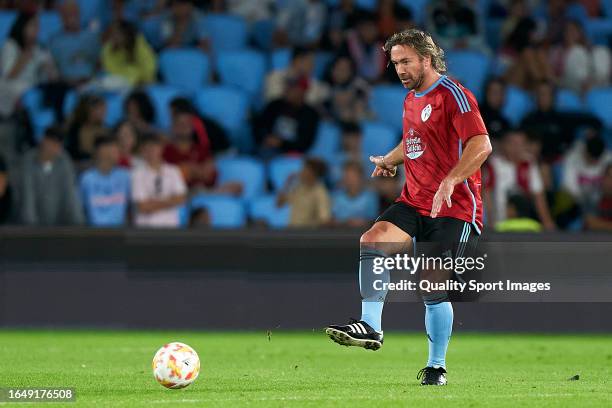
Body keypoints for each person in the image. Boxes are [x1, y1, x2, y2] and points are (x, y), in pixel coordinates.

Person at [325, 29, 493, 386]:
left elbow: (481, 145)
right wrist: (390, 158)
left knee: (430, 284)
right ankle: (371, 326)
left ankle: (436, 366)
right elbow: (414, 140)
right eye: (395, 63)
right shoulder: (411, 99)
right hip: (414, 200)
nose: (399, 70)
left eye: (406, 61)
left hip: (455, 207)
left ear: (426, 60)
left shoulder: (454, 95)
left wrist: (451, 179)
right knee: (373, 239)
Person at [488, 129, 556, 229]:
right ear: (504, 144)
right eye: (513, 143)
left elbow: (538, 196)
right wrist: (491, 223)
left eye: (521, 144)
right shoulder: (493, 164)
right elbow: (486, 195)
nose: (517, 148)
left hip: (523, 223)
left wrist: (548, 223)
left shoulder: (528, 162)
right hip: (498, 221)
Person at [21, 126, 84, 226]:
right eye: (52, 143)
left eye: (58, 145)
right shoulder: (28, 160)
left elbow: (70, 194)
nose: (55, 148)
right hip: (34, 226)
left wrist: (78, 224)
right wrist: (30, 229)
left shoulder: (64, 161)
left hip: (59, 225)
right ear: (43, 141)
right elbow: (28, 197)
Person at [0, 11, 56, 117]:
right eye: (33, 25)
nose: (37, 30)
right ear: (22, 26)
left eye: (38, 26)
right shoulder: (10, 45)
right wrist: (25, 56)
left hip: (35, 87)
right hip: (12, 87)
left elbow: (53, 77)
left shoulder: (41, 48)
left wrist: (48, 68)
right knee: (31, 97)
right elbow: (9, 74)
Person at [255, 77, 320, 159]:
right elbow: (259, 127)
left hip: (293, 153)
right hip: (268, 148)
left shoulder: (311, 114)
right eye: (288, 86)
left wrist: (281, 143)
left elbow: (305, 143)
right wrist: (266, 138)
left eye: (293, 88)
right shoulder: (274, 105)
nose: (287, 89)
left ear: (303, 91)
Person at [131, 133, 187, 228]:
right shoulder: (137, 174)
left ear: (160, 149)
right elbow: (142, 207)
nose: (150, 152)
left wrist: (152, 203)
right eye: (146, 149)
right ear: (142, 151)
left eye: (153, 148)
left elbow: (181, 199)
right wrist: (170, 200)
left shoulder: (173, 171)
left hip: (170, 227)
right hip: (146, 228)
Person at [79, 135, 131, 227]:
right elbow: (80, 209)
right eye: (115, 149)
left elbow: (131, 209)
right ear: (102, 151)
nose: (119, 153)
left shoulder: (125, 176)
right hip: (93, 234)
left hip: (120, 234)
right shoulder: (86, 179)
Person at [48, 0, 100, 86]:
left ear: (80, 14)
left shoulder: (92, 37)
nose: (72, 16)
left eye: (74, 12)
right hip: (65, 85)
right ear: (61, 17)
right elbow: (52, 68)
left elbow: (99, 62)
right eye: (67, 13)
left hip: (91, 84)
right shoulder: (54, 41)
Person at [264, 47, 329, 108]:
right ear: (297, 61)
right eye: (309, 62)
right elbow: (273, 98)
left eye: (313, 63)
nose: (312, 66)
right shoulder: (275, 76)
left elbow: (314, 100)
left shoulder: (312, 82)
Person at [276, 158, 331, 228]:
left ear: (313, 173)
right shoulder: (298, 188)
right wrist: (287, 184)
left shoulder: (321, 194)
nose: (300, 172)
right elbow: (279, 204)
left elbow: (325, 220)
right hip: (291, 232)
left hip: (307, 235)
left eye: (304, 169)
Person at [101, 20, 157, 87]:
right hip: (120, 84)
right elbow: (110, 70)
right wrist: (132, 76)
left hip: (144, 84)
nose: (113, 36)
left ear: (126, 34)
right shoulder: (108, 49)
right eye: (112, 33)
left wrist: (140, 79)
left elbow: (149, 68)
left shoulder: (140, 45)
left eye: (117, 33)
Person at [332, 160, 379, 227]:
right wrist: (346, 223)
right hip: (341, 234)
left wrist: (363, 222)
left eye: (353, 176)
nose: (350, 180)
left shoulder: (371, 197)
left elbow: (375, 220)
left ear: (361, 178)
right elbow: (332, 221)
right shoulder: (336, 197)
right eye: (347, 177)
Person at [65, 94, 108, 161]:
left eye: (104, 109)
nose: (104, 112)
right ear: (89, 110)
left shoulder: (105, 129)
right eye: (100, 109)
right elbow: (74, 152)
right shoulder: (75, 129)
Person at [584, 164, 612, 232]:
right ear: (603, 178)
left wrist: (600, 224)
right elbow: (590, 223)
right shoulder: (592, 197)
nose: (611, 181)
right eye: (609, 176)